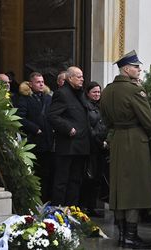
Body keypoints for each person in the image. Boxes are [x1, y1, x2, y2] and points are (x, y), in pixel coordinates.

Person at [100, 50, 151, 249]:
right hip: (135, 141)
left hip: (117, 140)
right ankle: (131, 236)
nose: (139, 70)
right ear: (126, 69)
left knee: (119, 189)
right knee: (134, 190)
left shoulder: (107, 91)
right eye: (136, 67)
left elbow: (105, 120)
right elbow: (149, 121)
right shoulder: (134, 90)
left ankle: (124, 235)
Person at [48, 66, 90, 206]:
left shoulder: (80, 94)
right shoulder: (62, 93)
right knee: (62, 180)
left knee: (76, 180)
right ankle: (58, 210)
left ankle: (72, 210)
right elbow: (53, 116)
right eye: (78, 76)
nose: (82, 79)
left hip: (81, 145)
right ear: (69, 78)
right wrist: (68, 128)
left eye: (82, 76)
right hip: (67, 145)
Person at [16, 72, 54, 203]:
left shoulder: (48, 98)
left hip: (48, 141)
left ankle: (46, 199)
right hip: (34, 142)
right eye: (38, 82)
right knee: (37, 172)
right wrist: (34, 128)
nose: (41, 84)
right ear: (31, 84)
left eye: (42, 81)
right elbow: (20, 118)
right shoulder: (25, 99)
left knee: (47, 173)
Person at [80, 81, 108, 218]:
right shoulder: (85, 106)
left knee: (97, 178)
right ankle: (84, 206)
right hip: (91, 147)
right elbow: (87, 127)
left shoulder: (103, 106)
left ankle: (92, 206)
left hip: (102, 147)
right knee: (87, 178)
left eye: (98, 92)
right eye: (94, 92)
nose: (97, 94)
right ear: (88, 93)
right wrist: (99, 141)